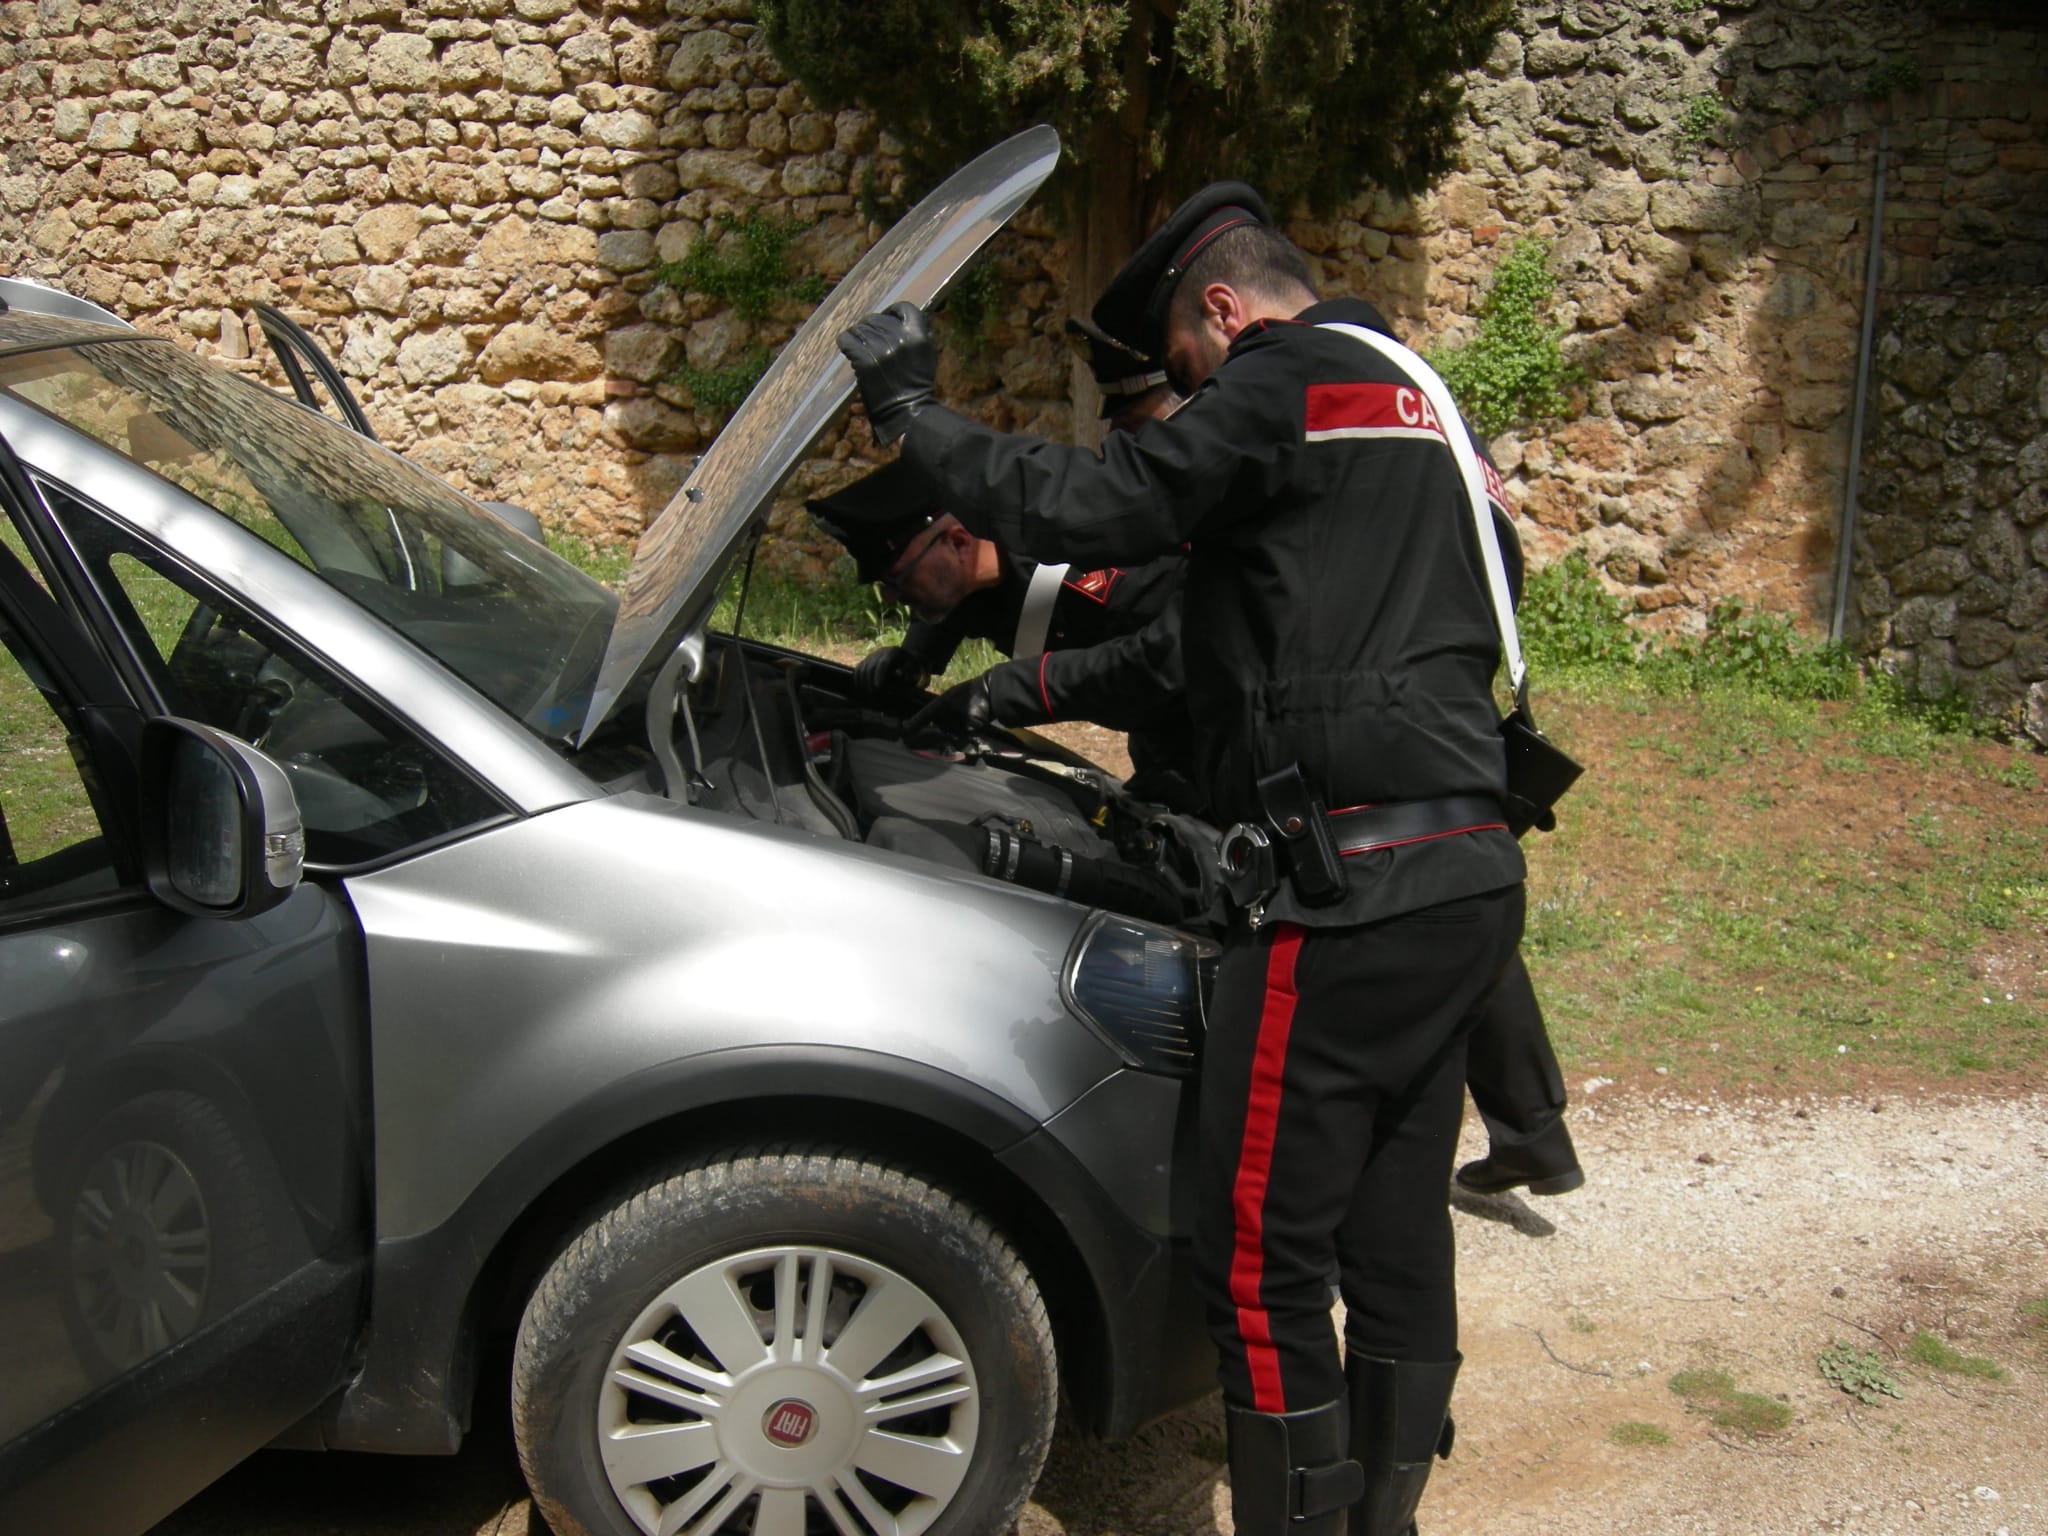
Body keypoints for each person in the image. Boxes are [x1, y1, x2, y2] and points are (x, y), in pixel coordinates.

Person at [837, 183, 1527, 1536]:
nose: (1191, 392)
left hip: (1342, 897)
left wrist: (915, 416)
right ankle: (1381, 1518)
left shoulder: (1286, 376)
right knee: (1396, 1230)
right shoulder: (1421, 401)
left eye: (1186, 363)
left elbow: (1105, 501)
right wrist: (999, 684)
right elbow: (1214, 641)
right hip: (1468, 873)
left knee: (1262, 1260)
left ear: (1221, 309)